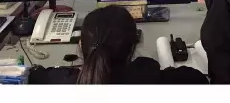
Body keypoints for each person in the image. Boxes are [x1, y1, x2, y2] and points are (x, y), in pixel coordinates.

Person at [28, 5, 208, 84]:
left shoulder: (54, 82)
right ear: (133, 45)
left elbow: (32, 76)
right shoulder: (165, 82)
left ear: (81, 45)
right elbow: (198, 79)